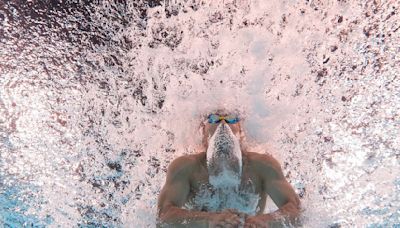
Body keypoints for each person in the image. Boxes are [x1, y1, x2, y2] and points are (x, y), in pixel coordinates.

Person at [157, 110, 301, 228]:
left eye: (231, 118)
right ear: (203, 133)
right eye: (214, 118)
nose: (223, 123)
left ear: (241, 132)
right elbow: (163, 217)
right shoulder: (186, 168)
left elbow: (296, 211)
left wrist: (263, 221)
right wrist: (208, 221)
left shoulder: (263, 167)